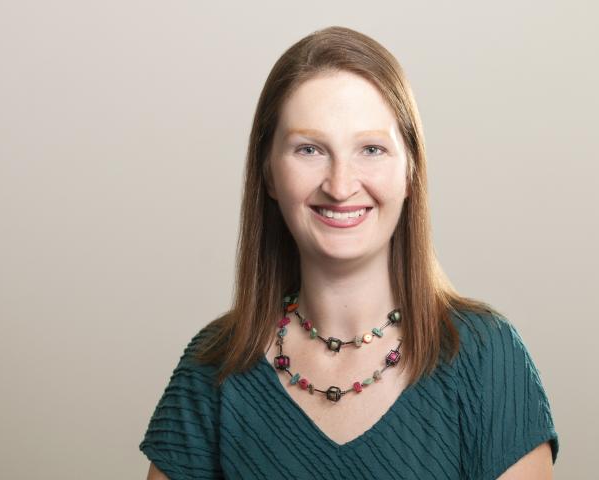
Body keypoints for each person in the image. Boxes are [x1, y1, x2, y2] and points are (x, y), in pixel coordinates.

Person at [139, 25, 559, 480]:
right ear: (267, 173)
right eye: (310, 149)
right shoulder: (212, 368)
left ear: (410, 173)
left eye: (372, 149)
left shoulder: (485, 356)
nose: (340, 186)